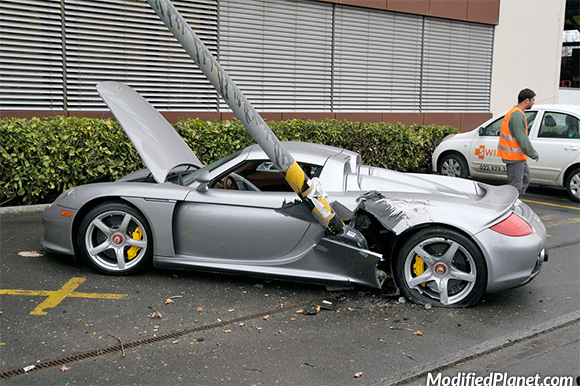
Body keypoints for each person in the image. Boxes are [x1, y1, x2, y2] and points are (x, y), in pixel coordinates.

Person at [497, 88, 539, 196]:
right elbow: (522, 138)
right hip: (514, 157)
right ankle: (511, 206)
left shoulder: (517, 113)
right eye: (533, 100)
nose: (533, 103)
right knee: (515, 185)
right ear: (526, 100)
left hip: (517, 156)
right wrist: (533, 153)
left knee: (525, 178)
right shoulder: (516, 115)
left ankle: (514, 202)